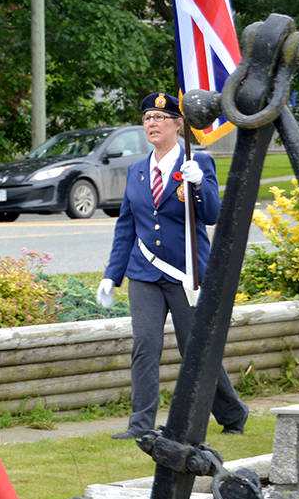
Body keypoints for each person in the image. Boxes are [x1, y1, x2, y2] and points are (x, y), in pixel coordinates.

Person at [97, 92, 249, 440]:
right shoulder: (138, 170)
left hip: (186, 275)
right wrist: (111, 274)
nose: (152, 124)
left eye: (160, 118)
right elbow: (126, 226)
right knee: (145, 346)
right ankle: (140, 426)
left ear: (178, 124)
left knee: (194, 348)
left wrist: (197, 184)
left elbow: (211, 214)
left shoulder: (198, 162)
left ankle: (232, 412)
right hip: (144, 273)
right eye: (148, 118)